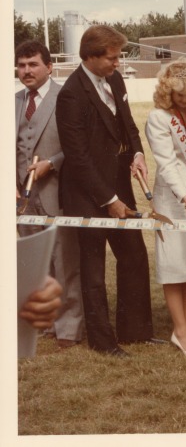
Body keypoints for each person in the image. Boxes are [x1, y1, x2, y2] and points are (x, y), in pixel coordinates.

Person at [56, 25, 159, 357]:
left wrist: (138, 153)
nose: (118, 63)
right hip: (86, 192)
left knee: (133, 254)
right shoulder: (71, 94)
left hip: (119, 183)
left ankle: (136, 331)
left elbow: (127, 121)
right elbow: (78, 157)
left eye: (118, 57)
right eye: (112, 58)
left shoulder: (114, 79)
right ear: (90, 56)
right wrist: (109, 200)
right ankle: (103, 341)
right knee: (94, 267)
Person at [15, 40, 84, 350]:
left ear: (49, 66)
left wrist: (52, 164)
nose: (26, 70)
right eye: (21, 65)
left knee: (64, 260)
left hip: (59, 191)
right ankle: (44, 324)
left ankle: (69, 327)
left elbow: (77, 146)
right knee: (34, 262)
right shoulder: (13, 102)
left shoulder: (65, 97)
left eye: (33, 64)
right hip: (22, 199)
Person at [145, 60, 186, 357]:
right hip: (172, 198)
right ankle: (180, 331)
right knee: (173, 265)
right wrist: (184, 198)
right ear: (168, 91)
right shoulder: (159, 118)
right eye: (181, 95)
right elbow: (167, 163)